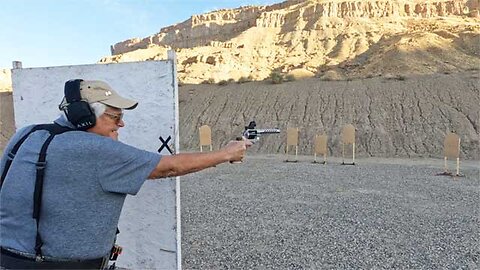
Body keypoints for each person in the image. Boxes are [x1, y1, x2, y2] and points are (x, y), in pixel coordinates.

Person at [0, 79, 252, 269]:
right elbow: (168, 166)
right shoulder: (97, 148)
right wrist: (226, 153)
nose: (121, 123)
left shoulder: (28, 133)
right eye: (115, 116)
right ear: (84, 117)